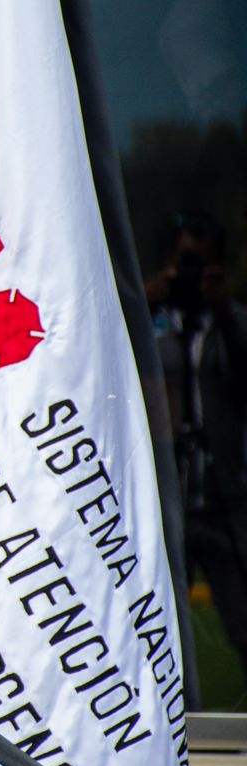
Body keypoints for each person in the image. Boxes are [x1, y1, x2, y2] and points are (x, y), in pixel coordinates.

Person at [149, 212, 247, 676]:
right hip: (169, 501)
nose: (189, 275)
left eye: (200, 265)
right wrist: (153, 293)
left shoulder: (231, 324)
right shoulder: (154, 322)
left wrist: (224, 309)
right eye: (183, 262)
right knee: (160, 626)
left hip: (224, 498)